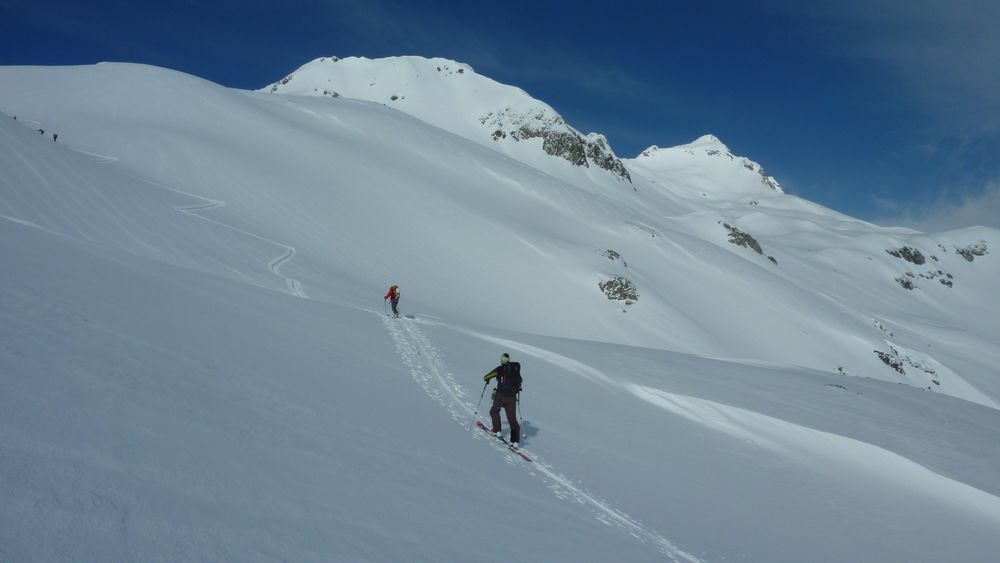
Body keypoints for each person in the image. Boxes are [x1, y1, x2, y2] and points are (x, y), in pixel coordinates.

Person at [483, 353, 522, 447]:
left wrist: (488, 379)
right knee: (512, 419)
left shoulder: (500, 369)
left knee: (494, 411)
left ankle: (497, 431)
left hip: (501, 395)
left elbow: (486, 376)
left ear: (502, 360)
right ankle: (515, 441)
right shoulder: (515, 370)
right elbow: (520, 381)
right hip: (512, 398)